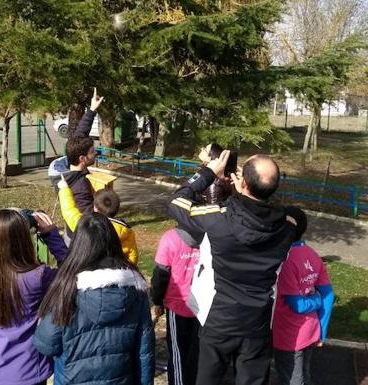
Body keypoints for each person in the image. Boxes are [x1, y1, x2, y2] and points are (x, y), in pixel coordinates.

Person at [168, 151, 297, 385]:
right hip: (257, 323)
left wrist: (208, 173)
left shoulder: (218, 219)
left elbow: (176, 202)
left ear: (243, 182)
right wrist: (241, 193)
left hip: (220, 320)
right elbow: (270, 214)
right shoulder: (287, 228)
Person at [33, 213, 155, 385]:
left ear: (78, 247)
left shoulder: (66, 289)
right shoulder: (136, 289)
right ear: (113, 242)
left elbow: (46, 344)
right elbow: (145, 352)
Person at [0, 209, 68, 385]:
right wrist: (51, 235)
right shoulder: (38, 276)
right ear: (23, 240)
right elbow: (71, 273)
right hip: (28, 372)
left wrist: (5, 224)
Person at [273, 206, 334, 385]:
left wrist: (315, 300)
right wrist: (322, 331)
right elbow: (328, 295)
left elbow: (298, 305)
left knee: (292, 379)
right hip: (311, 330)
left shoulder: (285, 260)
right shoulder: (312, 254)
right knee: (303, 375)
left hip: (289, 335)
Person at [150, 226, 201, 385]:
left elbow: (160, 275)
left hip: (178, 304)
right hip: (203, 305)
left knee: (179, 353)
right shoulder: (209, 234)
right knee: (197, 351)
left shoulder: (170, 238)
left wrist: (157, 300)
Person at [57, 174, 139, 265]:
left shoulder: (87, 226)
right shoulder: (126, 231)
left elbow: (69, 211)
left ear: (95, 208)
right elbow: (132, 255)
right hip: (117, 270)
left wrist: (64, 189)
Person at [49, 88, 105, 214]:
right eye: (92, 152)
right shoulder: (80, 187)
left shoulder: (70, 163)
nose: (95, 153)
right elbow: (86, 221)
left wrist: (92, 110)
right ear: (82, 158)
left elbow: (81, 132)